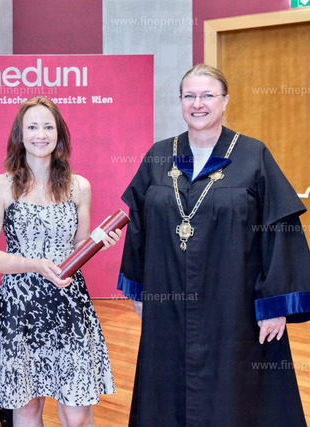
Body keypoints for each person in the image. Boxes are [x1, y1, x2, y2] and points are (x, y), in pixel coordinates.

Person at [118, 64, 310, 426]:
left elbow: (280, 229)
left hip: (234, 301)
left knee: (233, 388)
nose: (198, 104)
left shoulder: (253, 155)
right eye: (189, 96)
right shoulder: (160, 155)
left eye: (208, 95)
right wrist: (139, 288)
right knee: (169, 380)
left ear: (225, 101)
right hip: (170, 299)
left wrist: (275, 304)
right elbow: (139, 223)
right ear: (180, 101)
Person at [0, 96, 120, 426]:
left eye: (48, 127)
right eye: (32, 127)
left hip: (68, 303)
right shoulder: (1, 186)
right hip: (20, 306)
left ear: (59, 134)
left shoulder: (79, 186)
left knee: (77, 410)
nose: (40, 134)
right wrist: (35, 264)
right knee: (26, 408)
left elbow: (79, 245)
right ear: (20, 134)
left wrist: (99, 243)